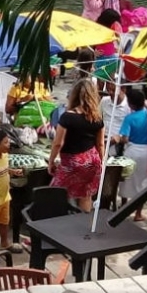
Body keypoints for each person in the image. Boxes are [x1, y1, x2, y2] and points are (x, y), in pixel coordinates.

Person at [48, 80, 105, 212]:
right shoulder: (97, 118)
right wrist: (101, 163)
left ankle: (56, 225)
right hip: (92, 161)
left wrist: (51, 161)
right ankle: (83, 226)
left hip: (72, 162)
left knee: (56, 193)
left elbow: (58, 143)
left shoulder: (67, 117)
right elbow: (100, 144)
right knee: (86, 195)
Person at [113, 89, 147, 221]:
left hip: (132, 151)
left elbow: (125, 138)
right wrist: (146, 102)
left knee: (126, 179)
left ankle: (123, 207)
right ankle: (138, 213)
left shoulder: (130, 118)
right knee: (144, 182)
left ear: (131, 104)